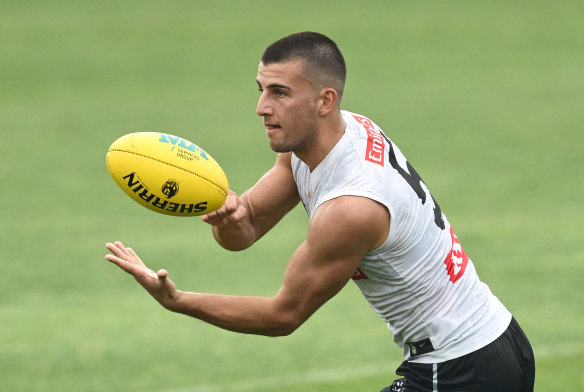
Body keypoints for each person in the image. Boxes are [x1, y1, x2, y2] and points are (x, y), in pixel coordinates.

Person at [105, 32, 535, 391]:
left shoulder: (351, 208)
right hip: (495, 342)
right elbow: (246, 228)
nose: (262, 107)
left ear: (324, 100)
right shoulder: (331, 137)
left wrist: (177, 301)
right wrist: (231, 217)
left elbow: (283, 316)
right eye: (261, 90)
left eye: (280, 93)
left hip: (460, 369)